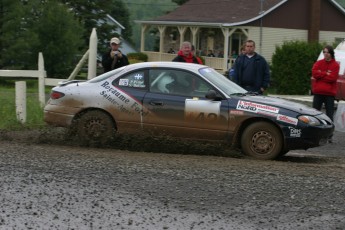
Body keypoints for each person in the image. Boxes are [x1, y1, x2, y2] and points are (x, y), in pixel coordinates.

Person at [311, 45, 339, 122]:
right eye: (324, 52)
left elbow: (332, 78)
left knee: (329, 115)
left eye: (327, 52)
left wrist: (320, 74)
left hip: (329, 94)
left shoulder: (335, 65)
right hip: (318, 92)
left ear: (331, 53)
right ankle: (315, 130)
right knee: (314, 114)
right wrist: (326, 73)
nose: (325, 54)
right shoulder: (319, 63)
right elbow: (314, 73)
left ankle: (329, 131)